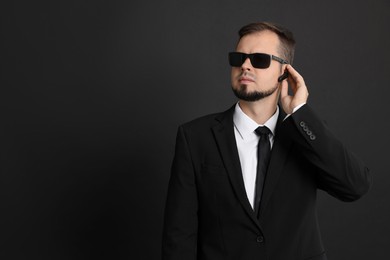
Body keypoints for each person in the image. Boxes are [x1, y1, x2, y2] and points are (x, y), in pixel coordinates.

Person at [162, 22, 371, 260]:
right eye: (239, 57)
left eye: (259, 59)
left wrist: (299, 113)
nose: (245, 65)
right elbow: (178, 236)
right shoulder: (195, 137)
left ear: (285, 71)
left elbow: (355, 186)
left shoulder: (305, 133)